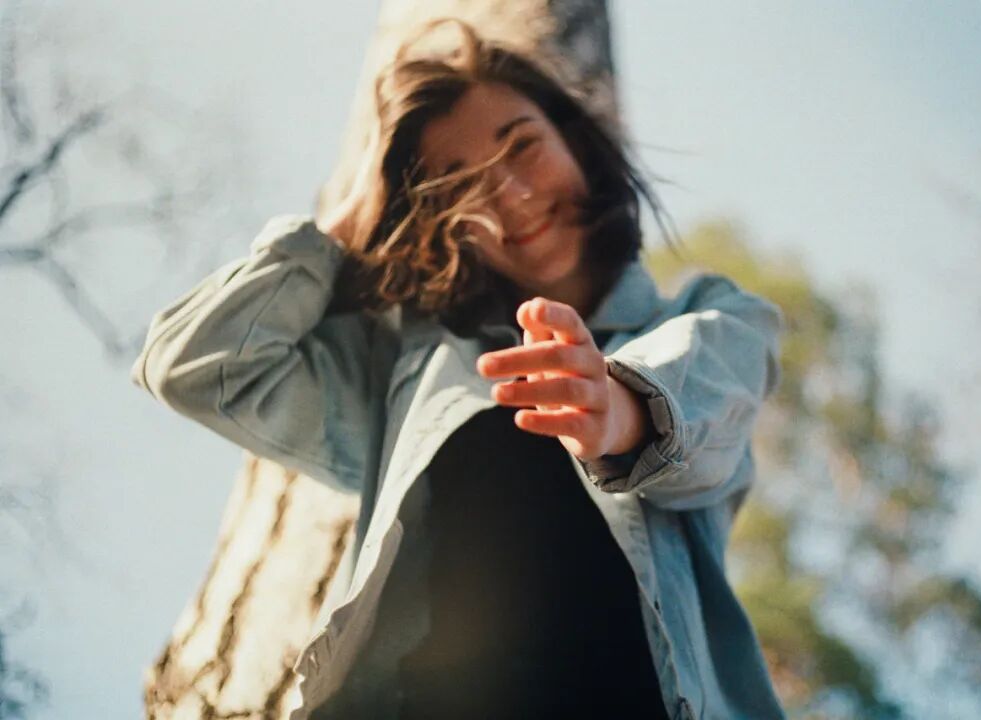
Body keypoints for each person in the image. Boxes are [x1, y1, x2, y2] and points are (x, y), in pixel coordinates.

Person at [131, 18, 786, 720]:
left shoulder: (708, 315)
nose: (511, 195)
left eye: (523, 147)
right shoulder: (402, 372)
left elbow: (712, 392)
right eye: (458, 184)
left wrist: (618, 410)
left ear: (576, 141)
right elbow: (192, 362)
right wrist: (351, 217)